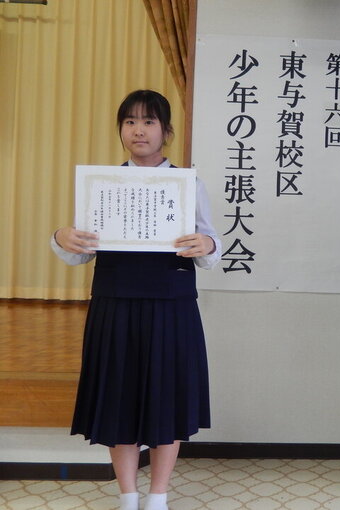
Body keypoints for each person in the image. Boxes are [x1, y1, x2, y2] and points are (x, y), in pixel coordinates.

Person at [51, 89, 221, 510]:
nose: (138, 130)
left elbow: (210, 245)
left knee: (168, 399)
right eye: (130, 121)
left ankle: (158, 495)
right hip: (115, 303)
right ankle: (128, 495)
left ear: (166, 131)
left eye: (148, 121)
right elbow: (80, 251)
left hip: (172, 305)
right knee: (118, 397)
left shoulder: (188, 183)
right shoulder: (102, 185)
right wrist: (61, 236)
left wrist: (207, 244)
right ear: (121, 129)